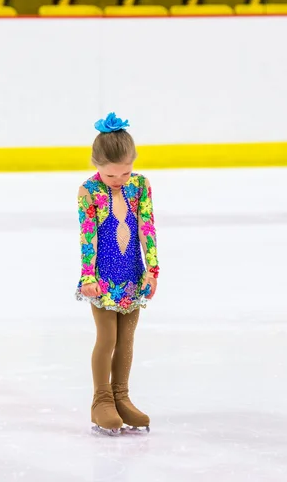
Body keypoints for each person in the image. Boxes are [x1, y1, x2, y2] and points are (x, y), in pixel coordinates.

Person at [76, 112, 160, 436]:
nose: (119, 179)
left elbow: (147, 229)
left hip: (133, 275)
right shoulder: (88, 191)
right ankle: (101, 400)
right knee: (107, 337)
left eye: (125, 171)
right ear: (97, 165)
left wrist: (152, 270)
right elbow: (88, 237)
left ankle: (121, 397)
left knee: (126, 340)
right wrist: (87, 277)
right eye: (111, 174)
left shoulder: (140, 186)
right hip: (102, 280)